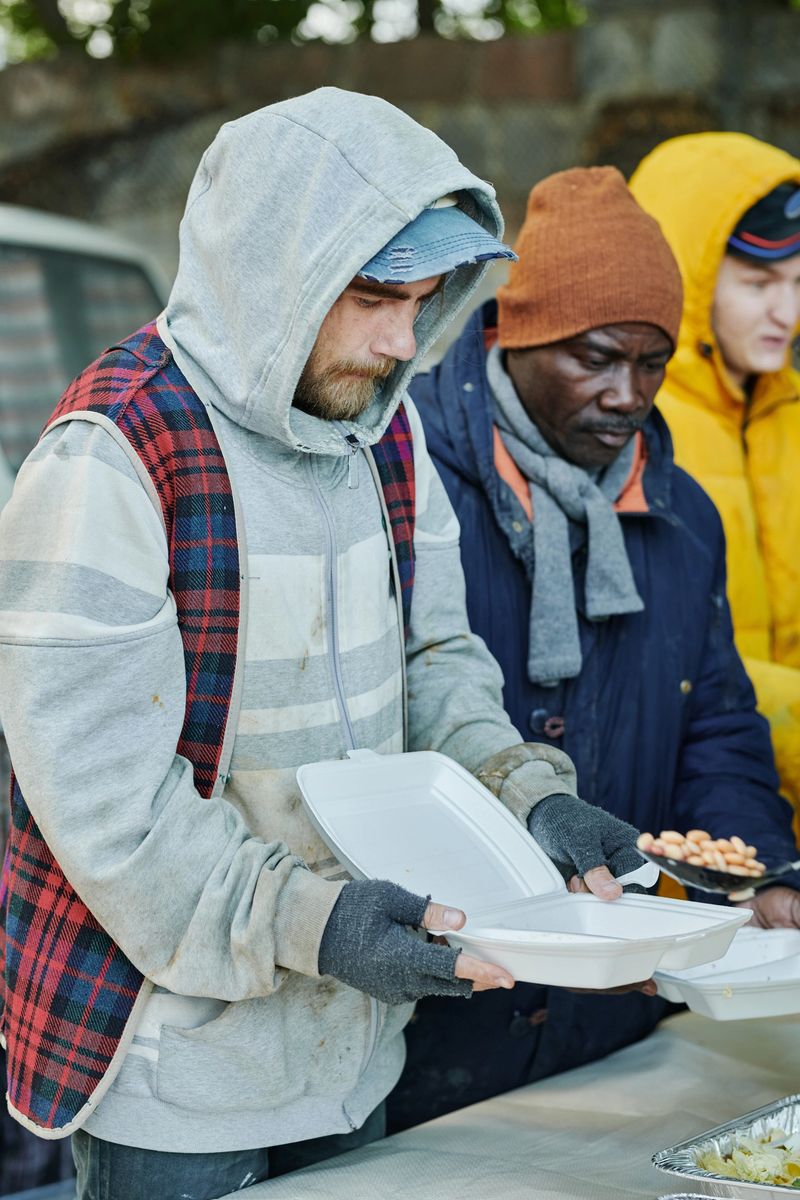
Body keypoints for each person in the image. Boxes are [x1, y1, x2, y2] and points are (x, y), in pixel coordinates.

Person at [0, 92, 645, 1200]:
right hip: (175, 1060)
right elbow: (105, 805)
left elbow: (434, 661)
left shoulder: (383, 436)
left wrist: (524, 795)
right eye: (373, 297)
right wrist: (315, 920)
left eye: (423, 300)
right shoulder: (111, 452)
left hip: (349, 1041)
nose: (405, 341)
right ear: (269, 271)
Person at [387, 166, 800, 1133]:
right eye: (596, 357)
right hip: (436, 1010)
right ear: (521, 335)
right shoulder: (410, 481)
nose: (628, 395)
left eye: (652, 363)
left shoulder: (680, 517)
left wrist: (766, 874)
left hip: (608, 1013)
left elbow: (718, 725)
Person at [629, 133, 800, 822]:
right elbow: (663, 661)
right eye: (759, 285)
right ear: (688, 278)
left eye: (798, 281)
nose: (787, 315)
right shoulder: (633, 432)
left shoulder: (789, 411)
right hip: (697, 836)